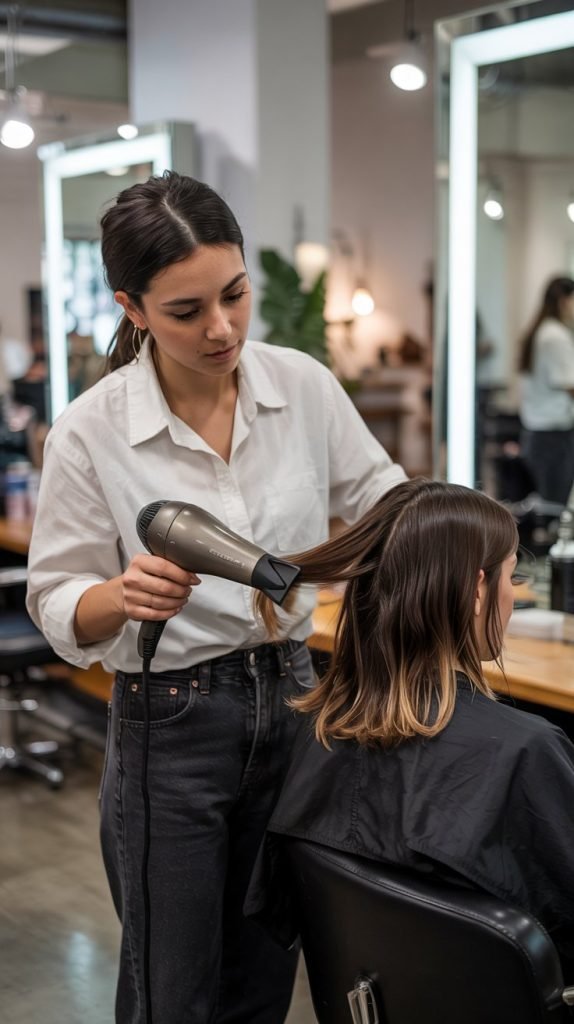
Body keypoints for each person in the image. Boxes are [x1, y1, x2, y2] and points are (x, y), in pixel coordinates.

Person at [25, 170, 406, 1024]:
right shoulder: (92, 430)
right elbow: (55, 600)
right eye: (186, 311)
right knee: (174, 993)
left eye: (234, 296)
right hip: (172, 727)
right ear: (133, 308)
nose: (222, 327)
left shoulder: (301, 386)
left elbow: (384, 501)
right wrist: (119, 596)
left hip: (300, 706)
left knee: (266, 982)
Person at [248, 478, 574, 974]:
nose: (514, 596)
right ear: (477, 592)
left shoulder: (321, 733)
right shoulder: (526, 751)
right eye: (512, 577)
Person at [519, 276, 574, 505]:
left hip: (539, 433)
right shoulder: (555, 336)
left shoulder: (542, 331)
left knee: (549, 503)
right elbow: (570, 384)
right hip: (553, 435)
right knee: (555, 506)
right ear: (563, 300)